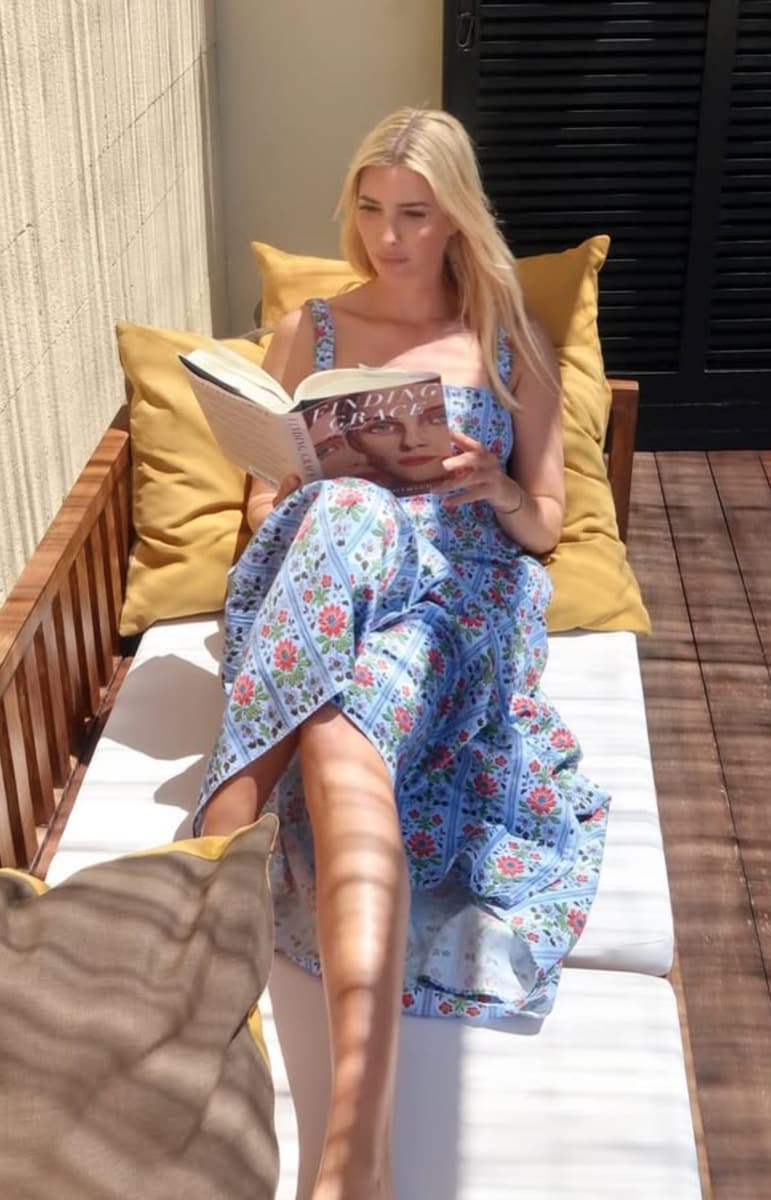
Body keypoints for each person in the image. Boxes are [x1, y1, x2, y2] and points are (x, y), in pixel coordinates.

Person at [195, 107, 610, 1200]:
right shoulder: (312, 328)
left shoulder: (507, 338)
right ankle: (356, 1165)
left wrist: (493, 484)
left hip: (453, 601)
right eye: (372, 210)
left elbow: (546, 525)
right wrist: (301, 479)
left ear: (457, 217)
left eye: (415, 214)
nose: (388, 237)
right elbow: (262, 510)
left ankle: (214, 861)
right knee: (345, 512)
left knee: (341, 732)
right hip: (324, 584)